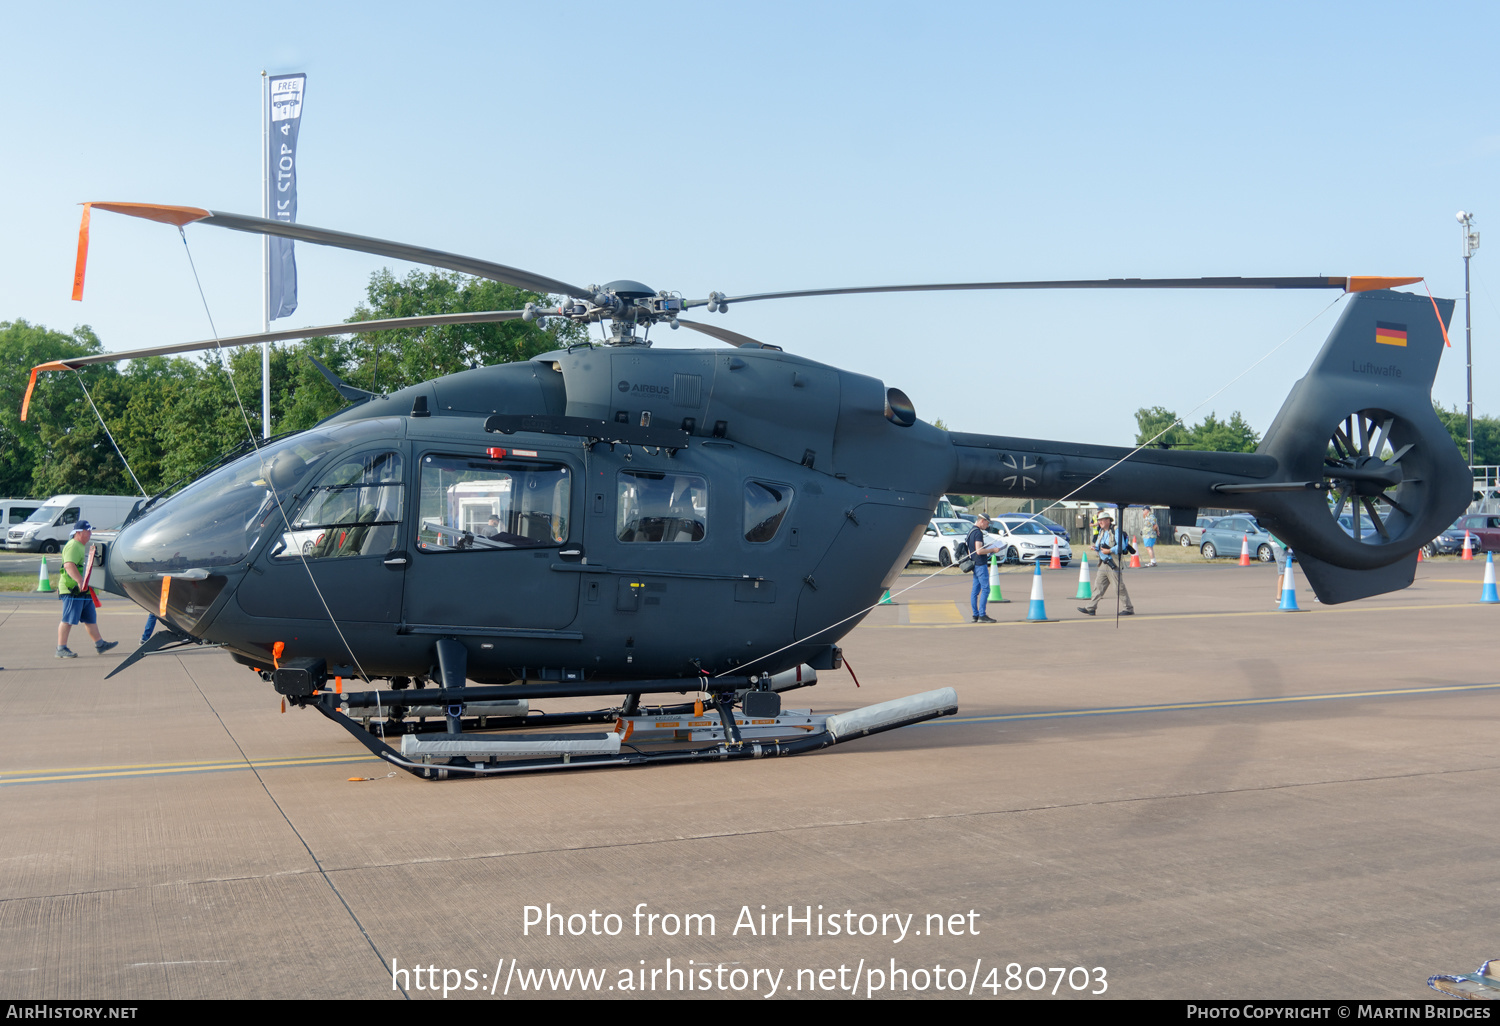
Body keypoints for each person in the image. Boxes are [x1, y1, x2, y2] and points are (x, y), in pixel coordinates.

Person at [56, 521, 118, 658]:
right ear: (78, 532)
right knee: (68, 619)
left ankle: (100, 644)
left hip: (85, 591)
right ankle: (61, 648)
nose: (90, 533)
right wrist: (79, 581)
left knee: (90, 619)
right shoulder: (73, 546)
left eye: (90, 530)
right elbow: (69, 565)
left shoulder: (82, 546)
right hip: (73, 590)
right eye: (88, 530)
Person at [1077, 511, 1135, 616]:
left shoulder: (1115, 530)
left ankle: (1128, 608)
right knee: (1098, 586)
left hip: (1113, 563)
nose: (1100, 522)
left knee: (1119, 587)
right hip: (1103, 563)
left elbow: (1120, 546)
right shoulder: (1101, 531)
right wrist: (1096, 547)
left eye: (1102, 520)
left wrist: (1109, 551)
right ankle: (1091, 607)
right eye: (1099, 520)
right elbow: (1100, 545)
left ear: (1108, 520)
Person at [966, 514, 1004, 623]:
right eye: (987, 523)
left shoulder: (971, 531)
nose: (987, 526)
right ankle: (982, 615)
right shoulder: (978, 533)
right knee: (986, 589)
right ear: (982, 521)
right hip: (980, 564)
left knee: (975, 591)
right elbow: (979, 551)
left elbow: (974, 549)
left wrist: (986, 547)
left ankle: (975, 615)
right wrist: (993, 550)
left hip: (974, 563)